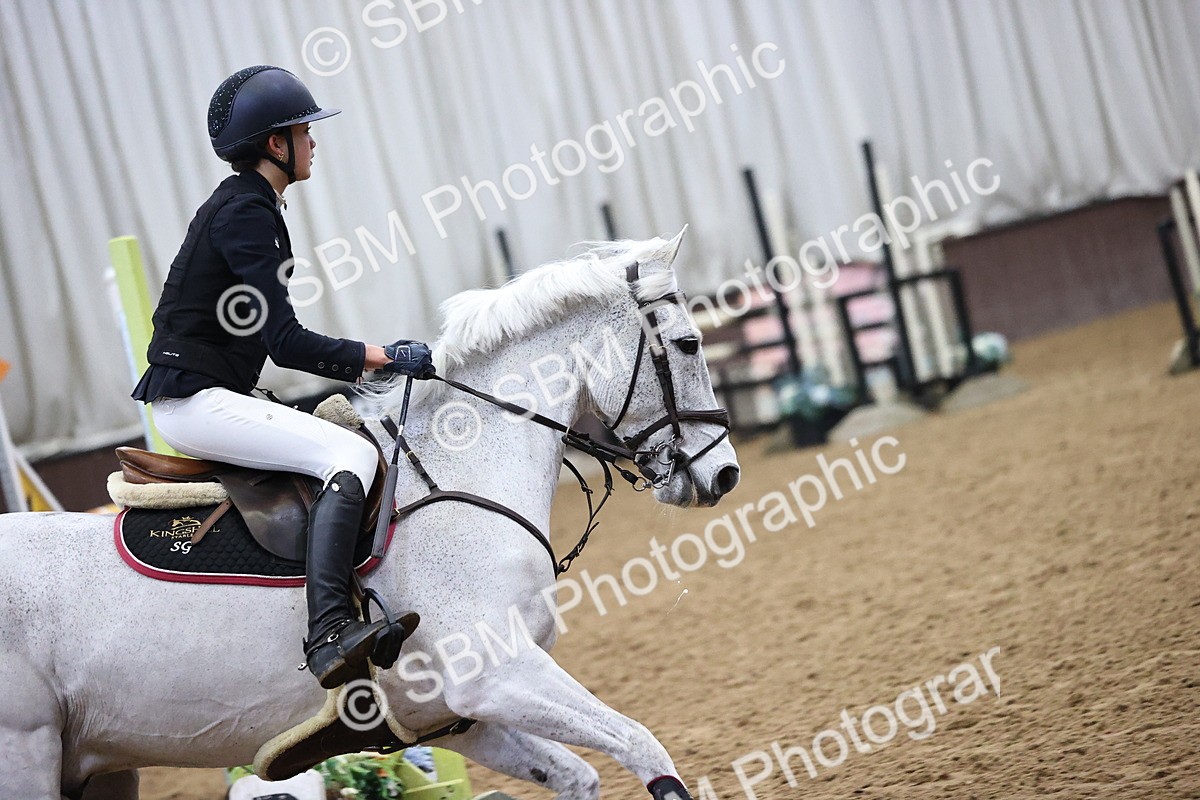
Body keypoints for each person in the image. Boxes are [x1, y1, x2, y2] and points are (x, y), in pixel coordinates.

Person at [131, 65, 433, 689]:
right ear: (276, 144)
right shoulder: (245, 211)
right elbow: (285, 342)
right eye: (303, 131)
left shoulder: (250, 204)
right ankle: (328, 633)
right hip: (195, 401)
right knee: (351, 456)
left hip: (207, 393)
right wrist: (383, 356)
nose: (313, 141)